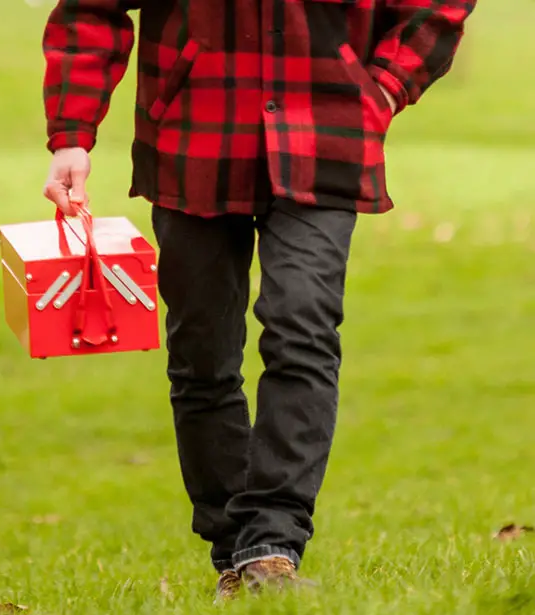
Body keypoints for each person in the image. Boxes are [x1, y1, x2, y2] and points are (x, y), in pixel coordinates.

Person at [41, 0, 476, 601]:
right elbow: (89, 11)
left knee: (303, 330)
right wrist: (71, 134)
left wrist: (383, 87)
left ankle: (272, 544)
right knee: (202, 356)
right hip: (193, 139)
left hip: (328, 135)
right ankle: (234, 550)